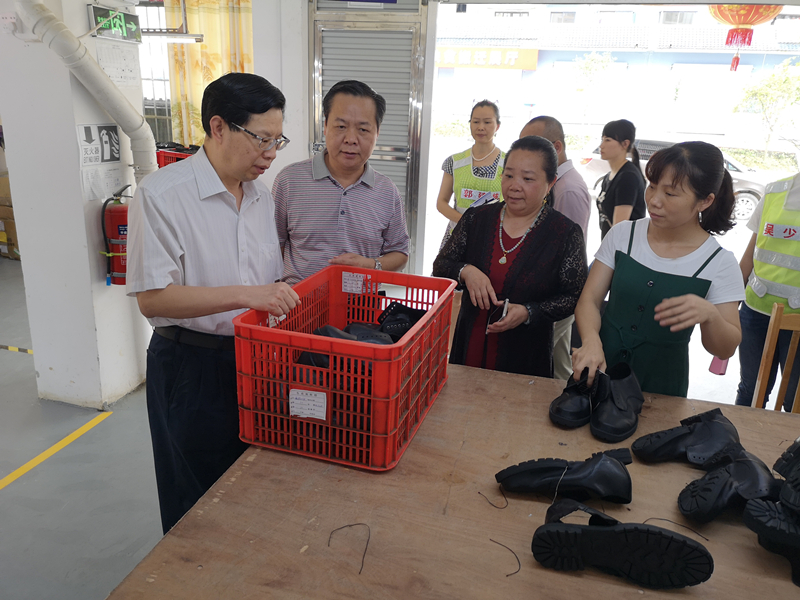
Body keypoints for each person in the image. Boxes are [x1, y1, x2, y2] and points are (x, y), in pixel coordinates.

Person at [127, 73, 300, 534]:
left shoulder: (261, 197)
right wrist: (246, 294)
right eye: (261, 139)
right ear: (219, 127)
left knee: (252, 486)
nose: (271, 153)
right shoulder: (162, 195)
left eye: (278, 140)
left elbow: (265, 278)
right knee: (194, 498)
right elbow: (152, 298)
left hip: (255, 361)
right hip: (192, 367)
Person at [572, 141, 744, 398]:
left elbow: (724, 349)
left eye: (670, 194)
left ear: (705, 201)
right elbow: (589, 300)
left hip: (663, 390)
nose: (654, 200)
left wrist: (711, 315)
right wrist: (591, 341)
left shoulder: (719, 262)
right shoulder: (623, 234)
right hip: (599, 373)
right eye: (652, 186)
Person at [432, 136, 588, 377]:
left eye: (528, 179)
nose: (515, 186)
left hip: (525, 356)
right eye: (509, 175)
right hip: (470, 345)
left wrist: (529, 312)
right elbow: (441, 265)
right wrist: (466, 271)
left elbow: (573, 296)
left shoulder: (564, 233)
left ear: (550, 183)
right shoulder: (476, 219)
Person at [273, 80, 409, 285]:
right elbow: (273, 246)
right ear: (325, 126)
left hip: (363, 303)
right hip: (299, 301)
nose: (351, 139)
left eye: (363, 129)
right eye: (341, 126)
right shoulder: (289, 181)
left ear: (377, 133)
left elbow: (400, 253)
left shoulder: (387, 191)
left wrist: (371, 265)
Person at [520, 116, 591, 380]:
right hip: (550, 292)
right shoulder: (556, 183)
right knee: (560, 362)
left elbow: (564, 251)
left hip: (556, 294)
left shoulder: (568, 188)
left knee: (537, 356)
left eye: (534, 145)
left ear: (557, 147)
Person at [735, 172, 800, 412]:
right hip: (755, 308)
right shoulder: (774, 191)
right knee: (750, 390)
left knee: (794, 400)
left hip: (797, 319)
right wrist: (731, 300)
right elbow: (752, 251)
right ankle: (740, 435)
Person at [435, 100, 506, 247]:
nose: (481, 127)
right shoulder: (454, 162)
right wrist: (465, 222)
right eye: (476, 122)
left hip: (491, 239)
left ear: (497, 126)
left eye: (487, 122)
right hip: (456, 236)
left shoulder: (509, 164)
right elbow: (441, 203)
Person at [596, 119, 647, 239]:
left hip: (622, 247)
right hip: (610, 245)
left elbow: (619, 230)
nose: (601, 146)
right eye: (602, 140)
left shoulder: (628, 177)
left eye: (608, 140)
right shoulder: (609, 177)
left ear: (625, 144)